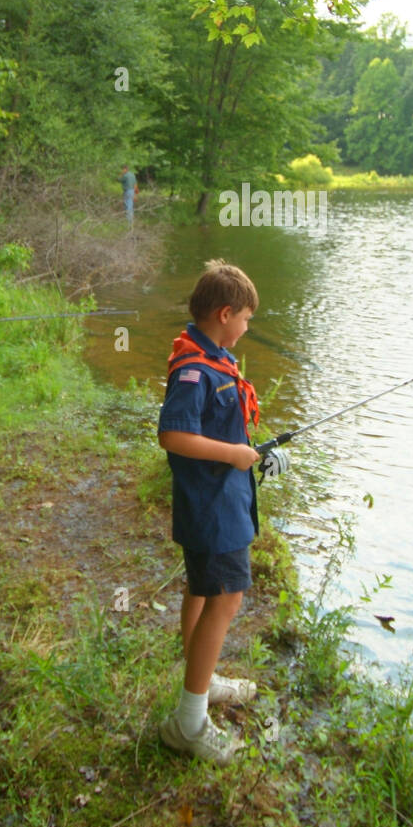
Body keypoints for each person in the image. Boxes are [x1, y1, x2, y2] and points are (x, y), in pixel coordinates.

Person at [157, 260, 262, 764]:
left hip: (217, 505)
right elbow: (173, 435)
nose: (246, 327)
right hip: (213, 511)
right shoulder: (195, 369)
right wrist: (235, 456)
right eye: (245, 318)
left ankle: (201, 679)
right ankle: (189, 722)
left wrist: (250, 451)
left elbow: (219, 430)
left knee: (202, 591)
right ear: (225, 314)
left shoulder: (211, 354)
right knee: (226, 597)